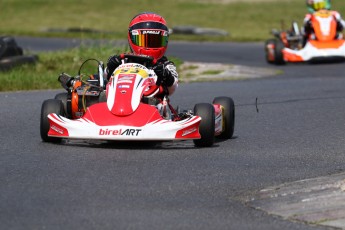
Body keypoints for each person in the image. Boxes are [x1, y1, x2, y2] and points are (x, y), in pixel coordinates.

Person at [106, 12, 178, 97]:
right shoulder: (123, 62)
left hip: (151, 103)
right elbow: (106, 80)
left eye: (155, 41)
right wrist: (111, 68)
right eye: (143, 40)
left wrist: (165, 74)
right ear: (131, 37)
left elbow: (173, 86)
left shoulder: (165, 65)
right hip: (119, 98)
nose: (150, 45)